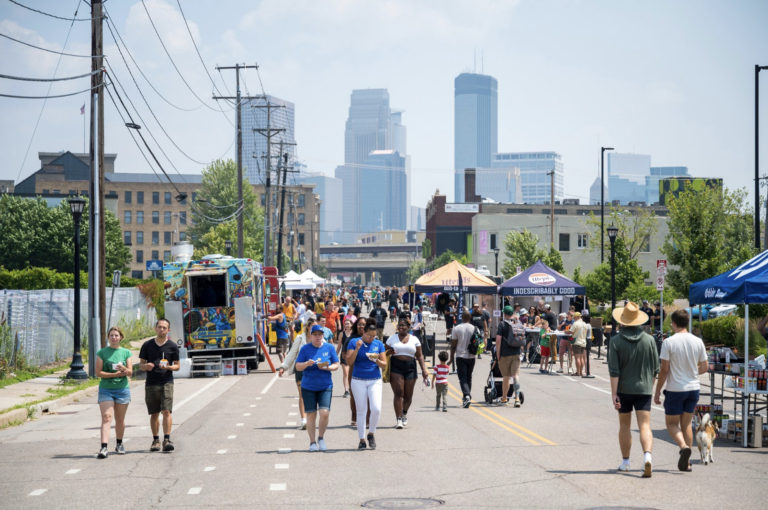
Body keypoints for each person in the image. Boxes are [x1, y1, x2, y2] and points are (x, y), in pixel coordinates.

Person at [608, 302, 660, 478]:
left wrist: (614, 394)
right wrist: (650, 387)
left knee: (625, 425)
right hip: (644, 389)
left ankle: (626, 462)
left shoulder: (615, 341)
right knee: (645, 426)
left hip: (623, 389)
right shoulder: (650, 340)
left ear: (623, 321)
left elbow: (614, 371)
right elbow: (655, 369)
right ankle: (647, 457)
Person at [653, 309, 708, 472]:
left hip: (675, 388)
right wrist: (690, 372)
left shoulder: (669, 342)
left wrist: (657, 391)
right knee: (686, 425)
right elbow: (705, 367)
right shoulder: (698, 341)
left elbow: (664, 370)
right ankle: (688, 462)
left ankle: (684, 447)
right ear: (688, 322)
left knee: (671, 423)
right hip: (693, 388)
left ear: (674, 323)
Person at [295, 325, 340, 452]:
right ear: (311, 335)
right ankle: (312, 442)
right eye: (315, 334)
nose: (317, 336)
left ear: (323, 335)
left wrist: (327, 367)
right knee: (311, 415)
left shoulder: (329, 347)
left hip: (325, 385)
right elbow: (298, 366)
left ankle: (321, 437)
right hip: (308, 386)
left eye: (319, 334)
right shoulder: (305, 349)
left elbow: (336, 365)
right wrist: (307, 364)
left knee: (324, 413)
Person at [139, 319, 180, 453]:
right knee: (154, 412)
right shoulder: (147, 345)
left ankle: (167, 439)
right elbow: (141, 365)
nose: (161, 329)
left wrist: (169, 367)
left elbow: (177, 365)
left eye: (164, 327)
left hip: (166, 381)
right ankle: (155, 440)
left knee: (166, 411)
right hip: (151, 382)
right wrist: (146, 366)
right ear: (155, 328)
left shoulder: (172, 346)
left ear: (168, 330)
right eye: (159, 327)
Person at [346, 318, 387, 450]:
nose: (371, 338)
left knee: (376, 409)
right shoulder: (354, 342)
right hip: (358, 380)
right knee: (361, 411)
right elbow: (349, 361)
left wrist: (376, 360)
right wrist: (357, 349)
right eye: (369, 335)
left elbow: (384, 364)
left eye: (374, 336)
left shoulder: (379, 344)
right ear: (363, 332)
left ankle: (371, 434)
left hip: (375, 379)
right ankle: (362, 439)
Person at [96, 326, 133, 459]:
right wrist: (113, 375)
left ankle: (119, 443)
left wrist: (124, 369)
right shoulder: (102, 353)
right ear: (108, 337)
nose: (114, 337)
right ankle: (104, 447)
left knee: (120, 418)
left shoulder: (126, 352)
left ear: (121, 337)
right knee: (107, 417)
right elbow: (98, 372)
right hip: (106, 389)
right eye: (111, 335)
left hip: (122, 389)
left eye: (116, 335)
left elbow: (130, 372)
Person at [386, 319, 430, 428]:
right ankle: (399, 419)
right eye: (399, 325)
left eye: (403, 325)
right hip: (396, 365)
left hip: (411, 366)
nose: (401, 327)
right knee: (398, 393)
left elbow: (419, 355)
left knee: (408, 396)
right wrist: (388, 352)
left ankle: (404, 412)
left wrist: (424, 370)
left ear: (408, 327)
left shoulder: (415, 339)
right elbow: (383, 352)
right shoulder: (392, 338)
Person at [279, 317, 318, 431]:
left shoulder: (320, 339)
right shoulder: (300, 338)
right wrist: (283, 367)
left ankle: (311, 417)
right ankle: (304, 420)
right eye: (312, 326)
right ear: (308, 327)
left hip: (314, 370)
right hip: (301, 368)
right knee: (302, 394)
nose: (315, 330)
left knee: (313, 395)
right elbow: (292, 354)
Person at [494, 306, 525, 407]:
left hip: (505, 353)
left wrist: (498, 354)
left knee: (506, 377)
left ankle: (504, 399)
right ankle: (517, 399)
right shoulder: (518, 323)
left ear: (504, 314)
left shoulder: (502, 324)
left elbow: (498, 340)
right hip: (516, 352)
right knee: (515, 375)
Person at [450, 311, 478, 408]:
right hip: (472, 356)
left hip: (461, 356)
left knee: (462, 377)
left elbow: (453, 346)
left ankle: (466, 396)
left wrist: (450, 359)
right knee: (468, 377)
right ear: (470, 318)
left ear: (461, 317)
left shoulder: (456, 328)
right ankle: (467, 397)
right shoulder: (474, 328)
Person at [337, 319, 355, 398]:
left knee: (352, 373)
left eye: (348, 323)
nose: (347, 325)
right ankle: (346, 390)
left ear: (351, 324)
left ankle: (352, 389)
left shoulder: (354, 334)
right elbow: (339, 346)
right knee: (346, 373)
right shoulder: (341, 334)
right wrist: (334, 357)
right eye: (346, 324)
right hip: (344, 355)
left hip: (353, 355)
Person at [570, 312, 589, 377]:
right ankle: (581, 371)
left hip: (577, 342)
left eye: (574, 317)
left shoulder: (576, 323)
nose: (574, 318)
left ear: (577, 317)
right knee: (582, 358)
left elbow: (571, 331)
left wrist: (566, 331)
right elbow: (586, 332)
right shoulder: (584, 324)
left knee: (577, 358)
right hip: (583, 342)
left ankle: (578, 372)